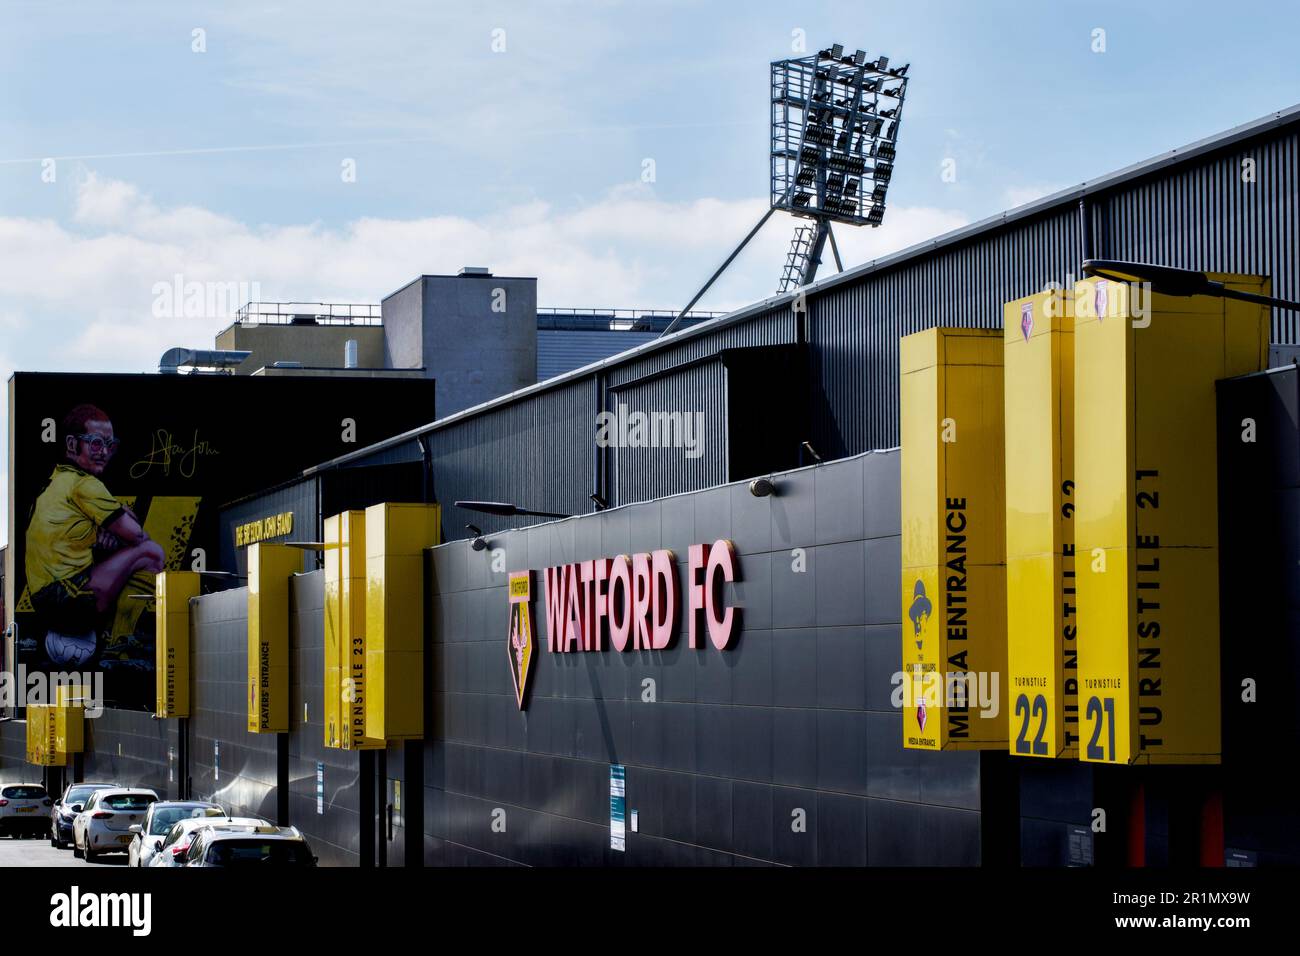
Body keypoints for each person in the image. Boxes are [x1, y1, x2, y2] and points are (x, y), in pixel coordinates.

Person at [24, 404, 165, 665]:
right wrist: (120, 510)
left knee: (119, 551)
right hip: (66, 598)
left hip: (46, 598)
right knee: (152, 553)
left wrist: (103, 538)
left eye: (110, 445)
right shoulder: (85, 485)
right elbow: (137, 536)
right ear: (71, 444)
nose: (104, 453)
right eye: (96, 443)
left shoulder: (56, 481)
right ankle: (118, 639)